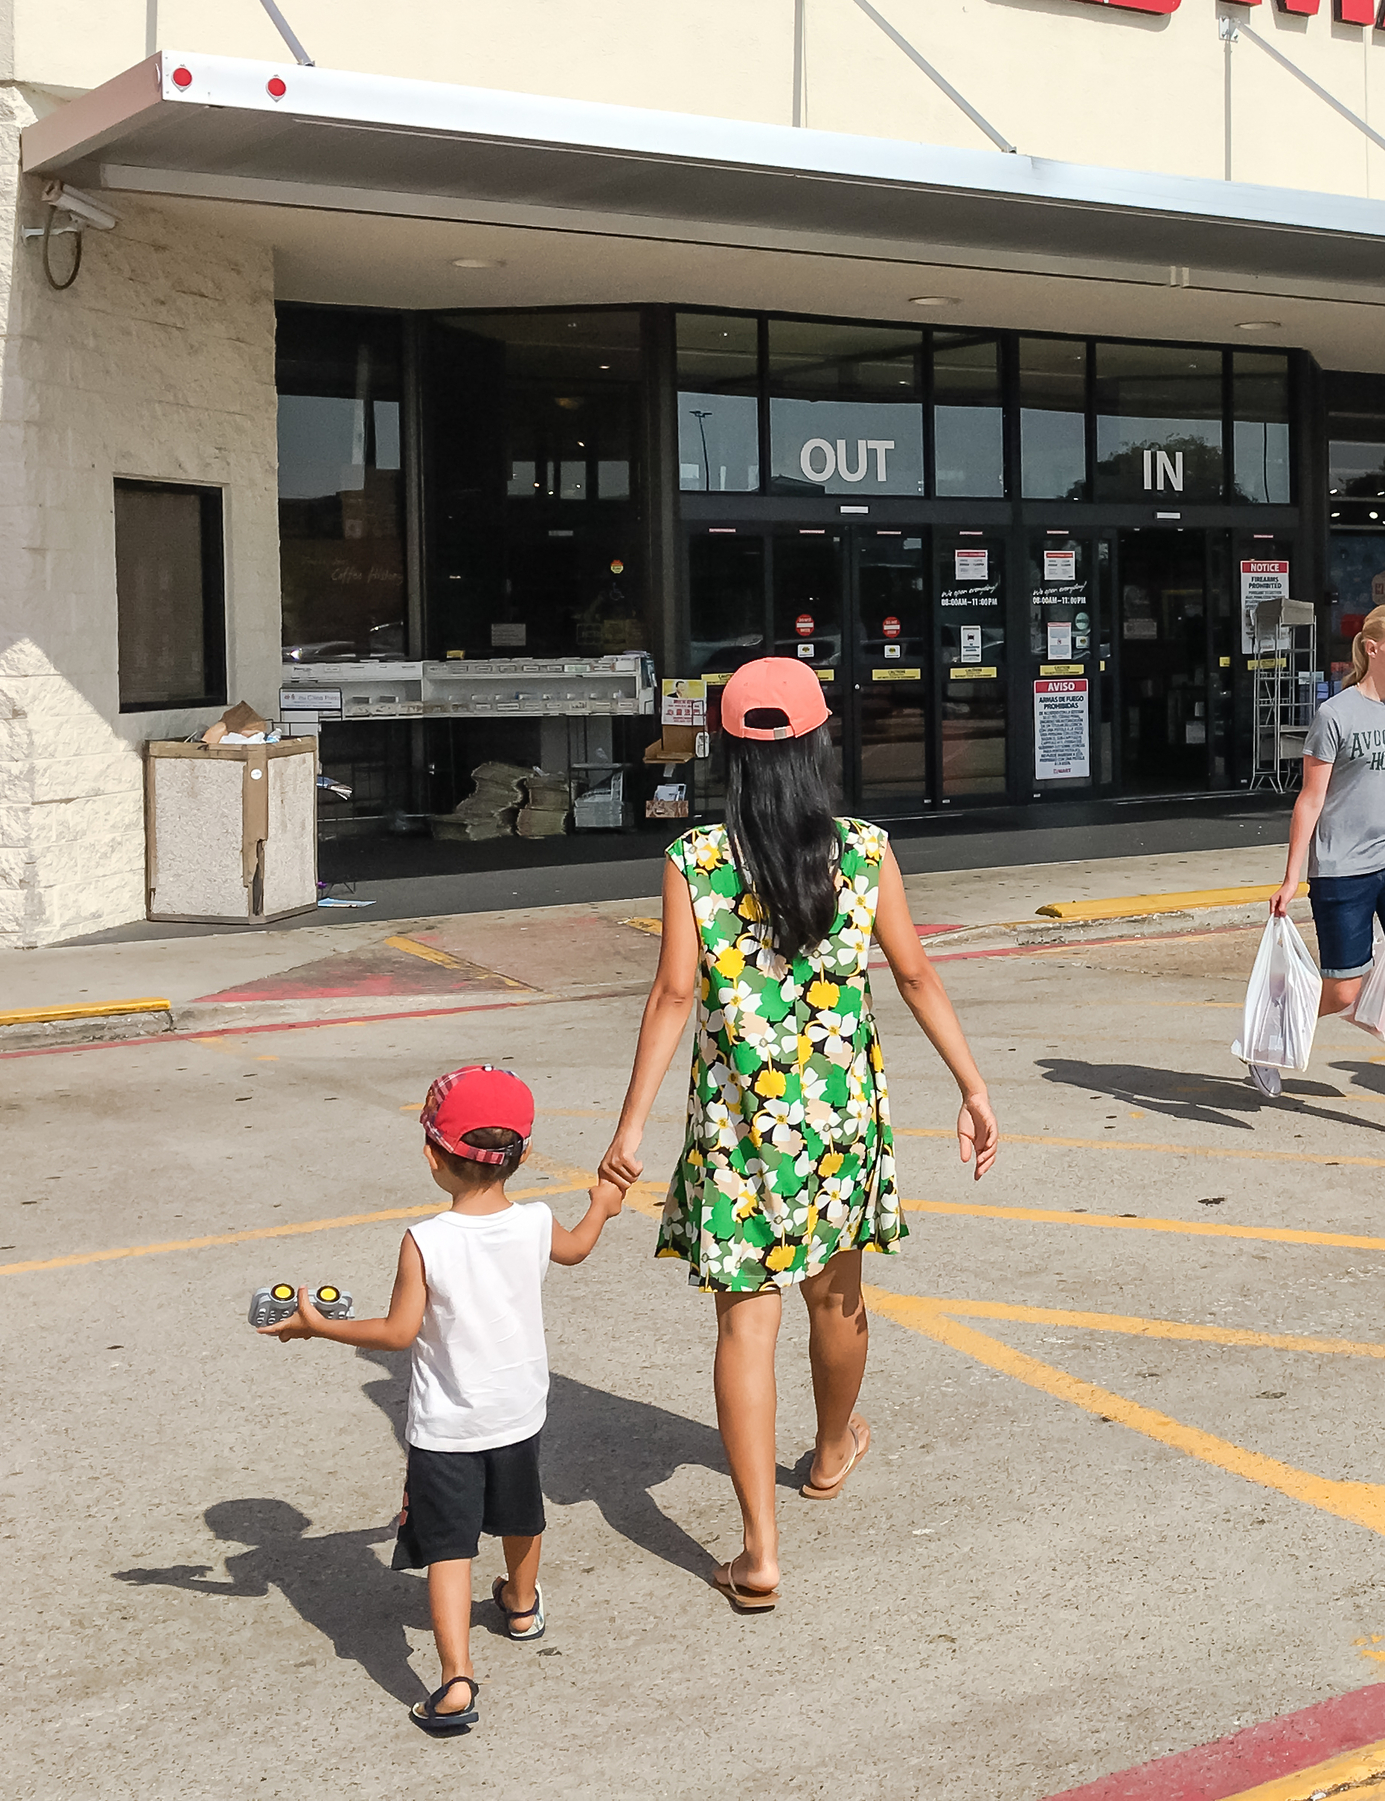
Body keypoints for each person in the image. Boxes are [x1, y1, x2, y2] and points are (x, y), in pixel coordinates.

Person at [597, 654, 998, 1616]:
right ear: (822, 741)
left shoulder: (693, 859)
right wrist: (973, 1087)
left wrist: (630, 1129)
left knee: (745, 1322)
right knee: (838, 1295)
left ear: (731, 752)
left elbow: (673, 993)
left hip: (739, 1126)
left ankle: (758, 1551)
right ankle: (828, 1453)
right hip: (837, 1119)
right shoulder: (863, 849)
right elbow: (915, 978)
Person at [260, 1063, 629, 1736]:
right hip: (519, 1412)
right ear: (518, 1155)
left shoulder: (425, 1241)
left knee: (449, 1549)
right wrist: (602, 1204)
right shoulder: (537, 1221)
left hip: (446, 1430)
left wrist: (318, 1324)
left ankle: (455, 1679)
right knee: (521, 1515)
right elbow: (575, 1250)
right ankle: (519, 1605)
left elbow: (398, 1333)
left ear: (434, 1155)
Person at [1268, 604, 1385, 1143]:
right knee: (1344, 992)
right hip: (1340, 869)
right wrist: (1292, 877)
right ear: (1372, 648)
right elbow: (1309, 801)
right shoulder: (1335, 715)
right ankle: (1270, 1037)